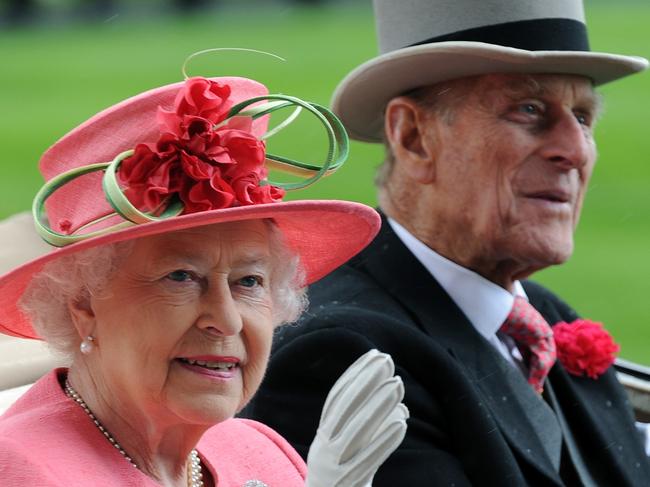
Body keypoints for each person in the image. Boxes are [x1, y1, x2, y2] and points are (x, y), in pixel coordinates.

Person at [243, 0, 650, 485]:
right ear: (414, 138)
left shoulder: (544, 319)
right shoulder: (344, 352)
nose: (575, 149)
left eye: (582, 118)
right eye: (530, 110)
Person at [0, 73, 409, 486]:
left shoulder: (261, 451)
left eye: (249, 281)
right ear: (84, 305)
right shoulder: (21, 469)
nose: (226, 320)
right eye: (180, 277)